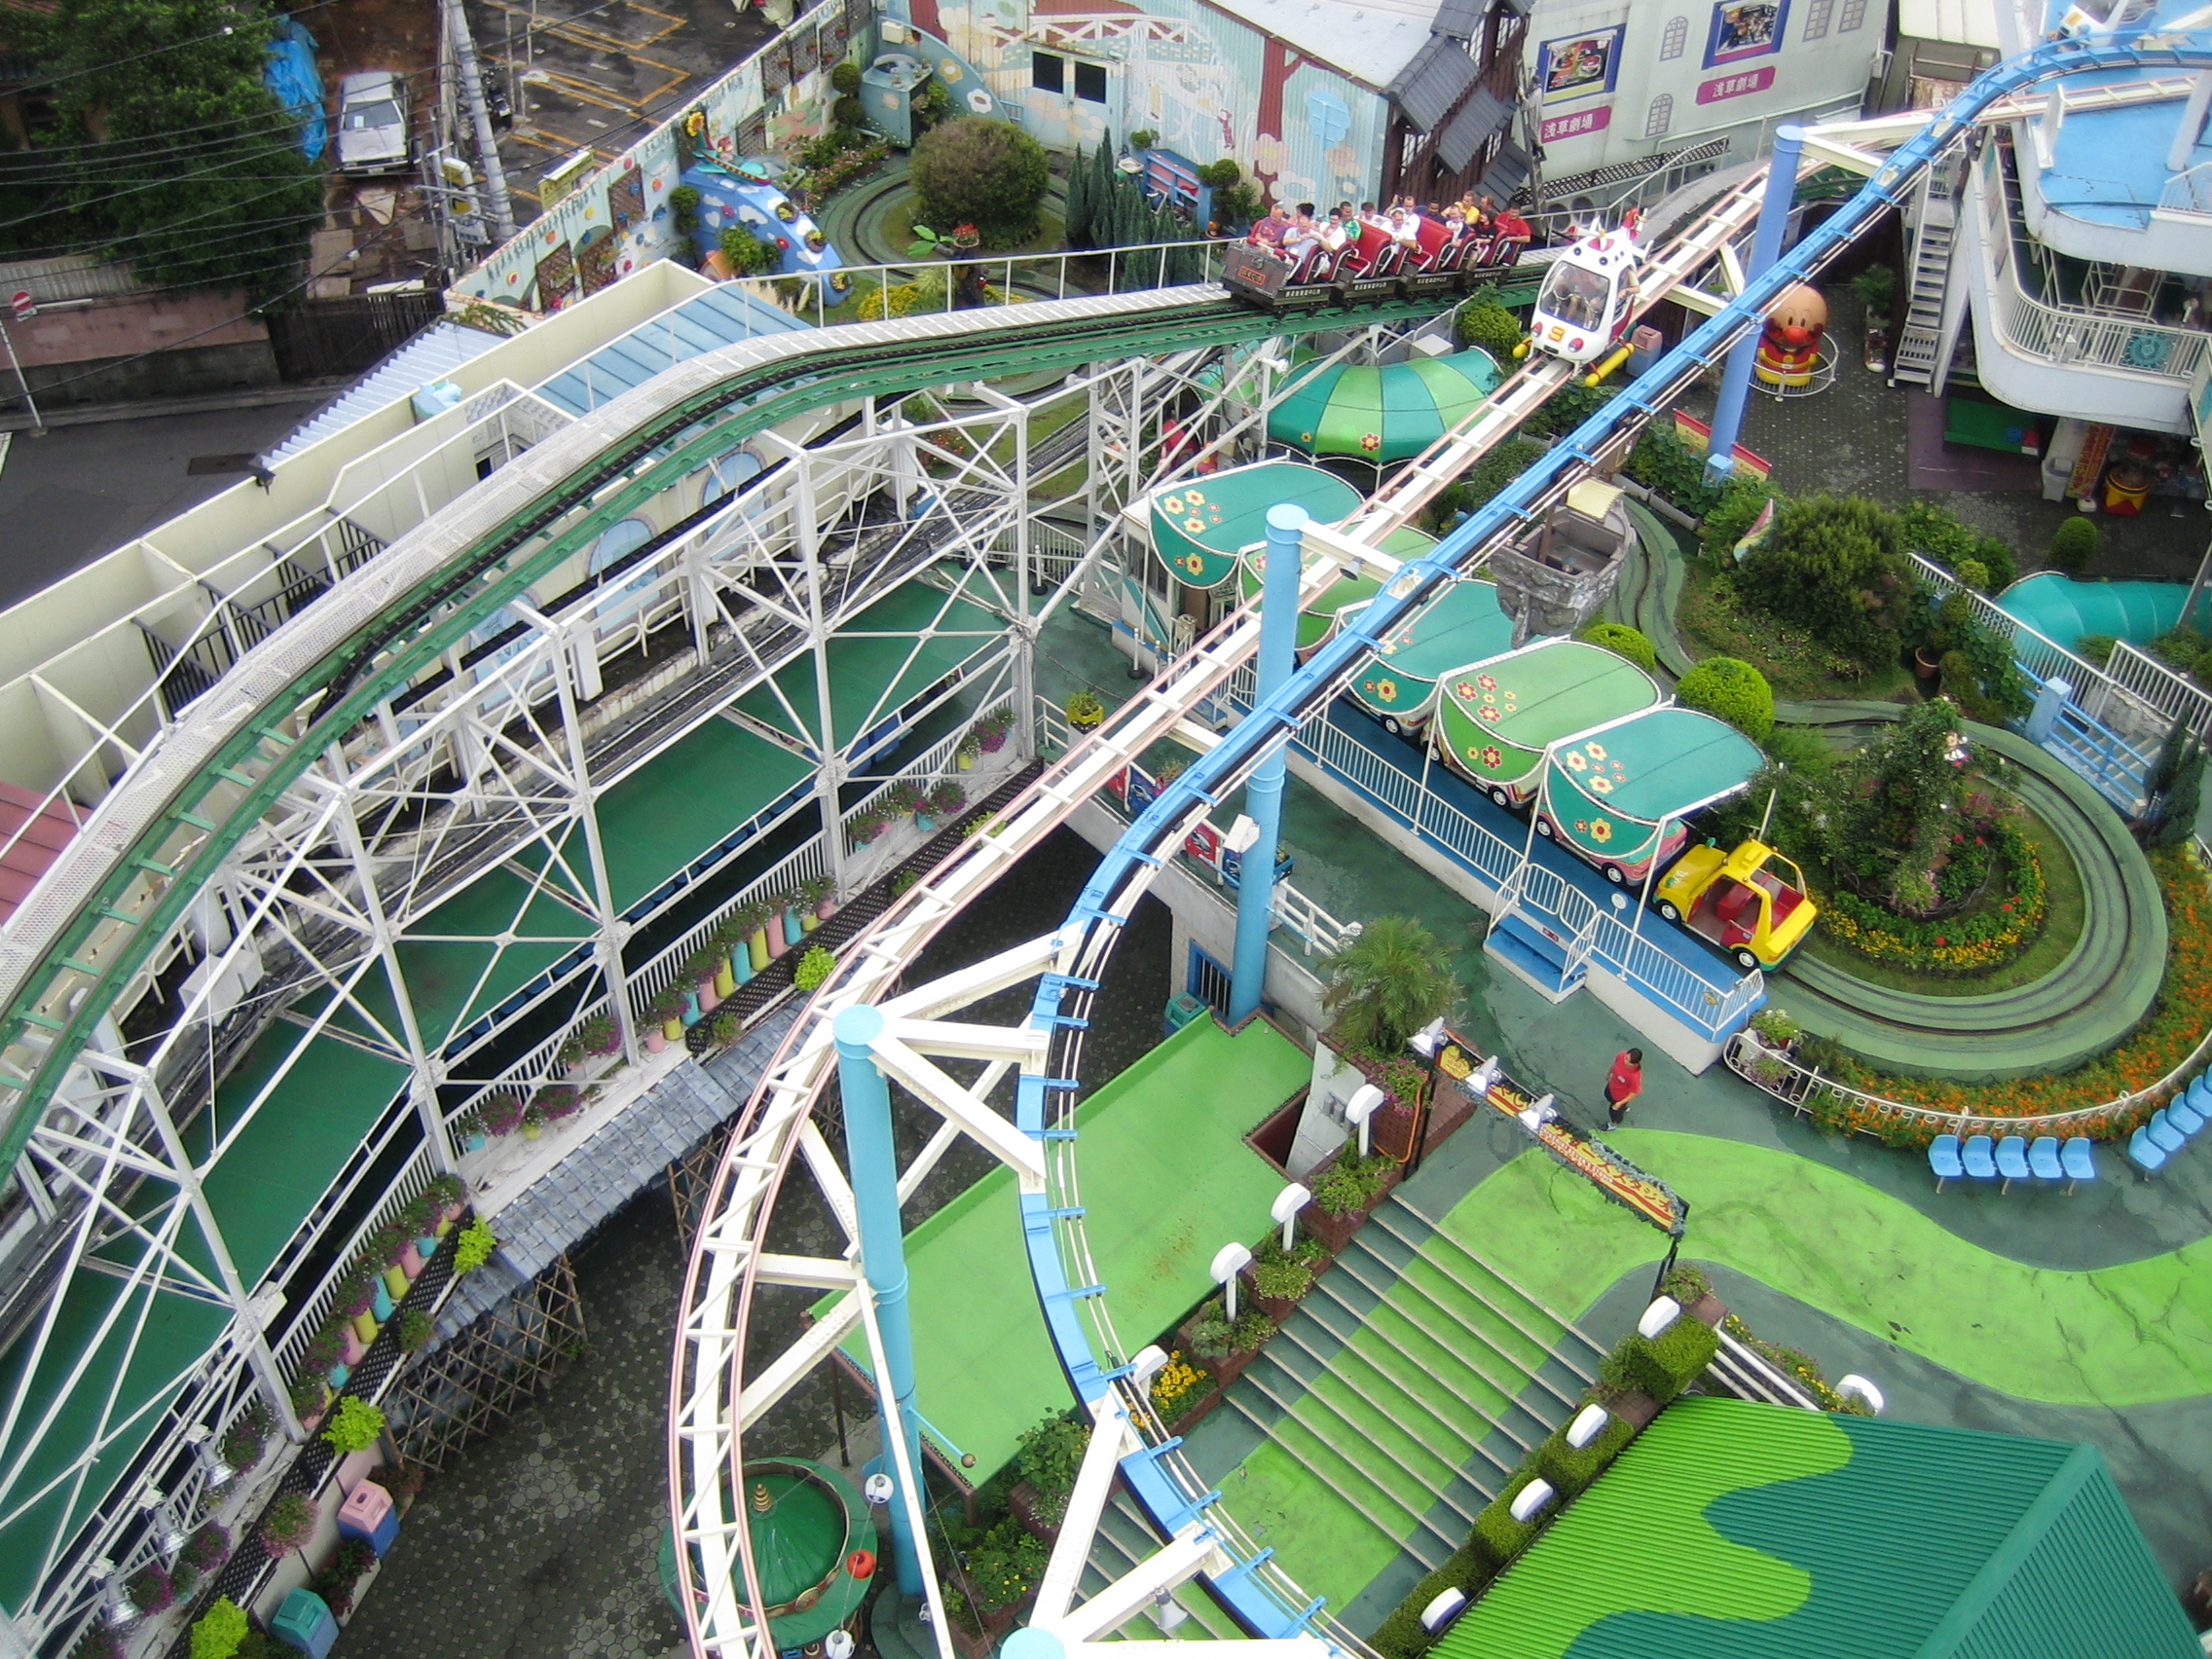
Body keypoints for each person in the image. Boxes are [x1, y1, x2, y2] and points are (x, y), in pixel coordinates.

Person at [1604, 1047, 1643, 1127]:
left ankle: (1613, 1125)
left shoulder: (1634, 1076)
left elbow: (1635, 1093)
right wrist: (1609, 1074)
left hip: (1620, 1096)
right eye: (1626, 1058)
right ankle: (1624, 1107)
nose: (1624, 1061)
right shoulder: (1621, 1056)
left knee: (1614, 1112)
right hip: (1611, 1086)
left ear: (1635, 1064)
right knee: (1607, 1094)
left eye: (1628, 1061)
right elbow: (1614, 1065)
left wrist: (1619, 1103)